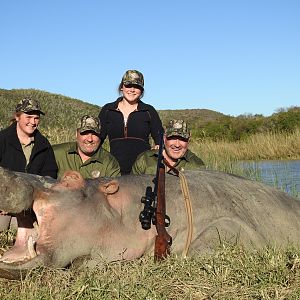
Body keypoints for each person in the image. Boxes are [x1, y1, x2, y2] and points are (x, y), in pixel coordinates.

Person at [0, 98, 58, 262]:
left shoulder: (44, 145)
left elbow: (50, 178)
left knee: (40, 235)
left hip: (29, 209)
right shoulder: (2, 139)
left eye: (36, 118)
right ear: (17, 117)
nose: (33, 122)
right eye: (28, 117)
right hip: (4, 207)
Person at [99, 70, 163, 175]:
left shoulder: (149, 111)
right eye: (128, 85)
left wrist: (157, 148)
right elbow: (97, 139)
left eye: (137, 87)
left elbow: (160, 140)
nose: (132, 90)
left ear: (141, 90)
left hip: (142, 171)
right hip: (114, 170)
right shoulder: (108, 110)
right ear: (122, 87)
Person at [53, 115, 121, 179]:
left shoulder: (109, 162)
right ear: (76, 134)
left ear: (100, 136)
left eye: (94, 134)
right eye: (85, 133)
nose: (90, 139)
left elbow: (115, 188)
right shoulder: (55, 153)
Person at [131, 119, 205, 175]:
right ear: (164, 138)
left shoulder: (197, 166)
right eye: (172, 138)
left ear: (188, 140)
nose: (177, 145)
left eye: (182, 139)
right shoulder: (144, 160)